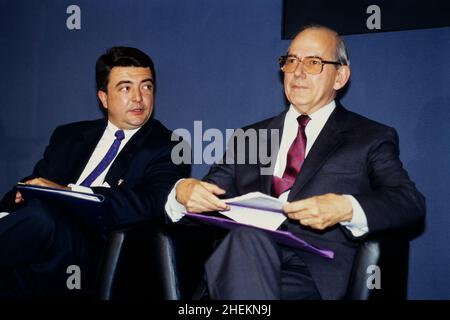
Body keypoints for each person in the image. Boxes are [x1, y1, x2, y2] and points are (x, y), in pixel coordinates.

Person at [165, 25, 425, 300]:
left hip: (312, 275)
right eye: (291, 61)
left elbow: (409, 202)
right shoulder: (249, 137)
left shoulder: (369, 138)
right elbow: (206, 198)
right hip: (240, 265)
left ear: (340, 76)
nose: (298, 72)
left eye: (313, 62)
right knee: (246, 239)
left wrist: (346, 207)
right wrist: (183, 192)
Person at [0, 46, 190, 298]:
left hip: (100, 253)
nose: (138, 98)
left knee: (44, 217)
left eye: (146, 86)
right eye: (125, 88)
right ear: (103, 97)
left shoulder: (170, 146)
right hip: (41, 251)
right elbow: (33, 183)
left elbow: (150, 204)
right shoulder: (69, 136)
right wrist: (23, 193)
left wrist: (69, 193)